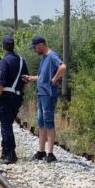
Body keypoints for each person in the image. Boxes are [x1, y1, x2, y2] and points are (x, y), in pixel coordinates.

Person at [22, 35, 66, 163]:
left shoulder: (52, 56)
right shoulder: (44, 58)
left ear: (41, 45)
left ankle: (50, 153)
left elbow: (63, 67)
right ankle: (41, 151)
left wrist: (54, 79)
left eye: (35, 47)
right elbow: (42, 76)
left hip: (48, 94)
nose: (34, 50)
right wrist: (30, 78)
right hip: (41, 93)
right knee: (41, 122)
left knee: (48, 122)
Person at [0, 35, 29, 164]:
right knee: (9, 124)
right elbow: (26, 80)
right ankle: (7, 152)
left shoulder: (4, 61)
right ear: (13, 46)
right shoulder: (22, 61)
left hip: (5, 97)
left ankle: (9, 153)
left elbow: (0, 83)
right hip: (17, 97)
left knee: (5, 125)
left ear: (3, 47)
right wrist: (20, 94)